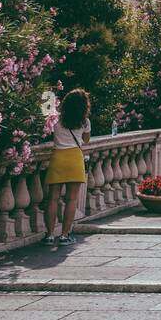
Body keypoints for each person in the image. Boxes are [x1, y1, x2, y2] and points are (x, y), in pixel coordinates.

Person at [44, 88, 91, 245]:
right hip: (75, 159)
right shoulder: (84, 121)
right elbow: (86, 140)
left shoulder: (56, 119)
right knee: (71, 199)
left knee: (53, 199)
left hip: (58, 157)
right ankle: (64, 235)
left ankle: (49, 235)